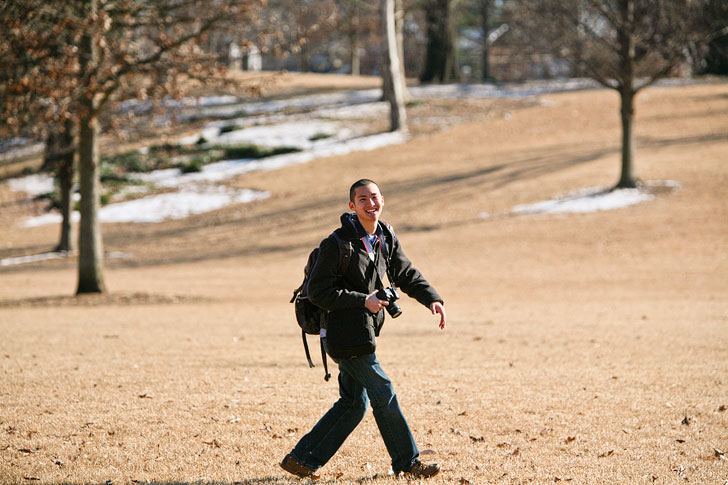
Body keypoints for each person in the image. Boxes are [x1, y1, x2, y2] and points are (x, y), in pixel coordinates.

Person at [280, 179, 447, 480]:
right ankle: (408, 463)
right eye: (362, 199)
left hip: (366, 330)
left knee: (354, 404)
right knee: (383, 390)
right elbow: (318, 291)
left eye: (374, 198)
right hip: (344, 333)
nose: (370, 204)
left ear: (382, 200)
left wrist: (432, 298)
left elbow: (405, 273)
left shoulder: (385, 236)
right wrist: (364, 300)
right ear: (352, 206)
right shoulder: (338, 244)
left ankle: (302, 459)